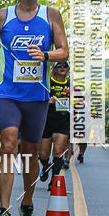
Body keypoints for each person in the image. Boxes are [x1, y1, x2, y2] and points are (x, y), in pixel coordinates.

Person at [0, 0, 69, 216]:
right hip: (8, 93)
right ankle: (3, 209)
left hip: (37, 96)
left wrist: (45, 55)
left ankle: (28, 203)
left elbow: (64, 51)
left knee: (30, 154)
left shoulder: (51, 15)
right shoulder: (3, 15)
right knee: (8, 145)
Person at [38, 61, 71, 190]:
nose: (62, 68)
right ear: (54, 68)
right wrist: (48, 101)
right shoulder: (47, 82)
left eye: (65, 66)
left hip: (63, 122)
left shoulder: (71, 85)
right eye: (59, 66)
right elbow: (37, 99)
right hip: (46, 121)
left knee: (58, 151)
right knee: (44, 154)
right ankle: (45, 166)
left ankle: (53, 180)